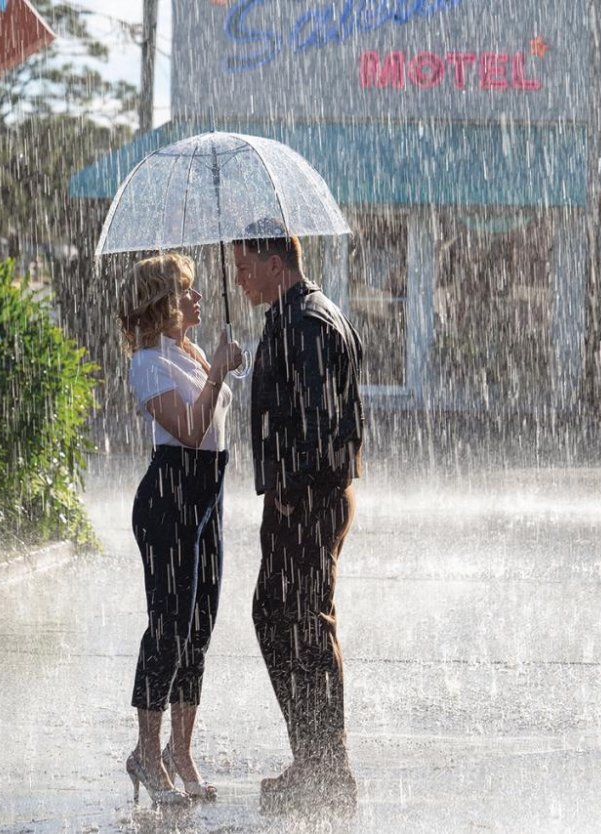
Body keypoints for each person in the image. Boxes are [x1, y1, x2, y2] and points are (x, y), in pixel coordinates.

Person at [231, 226, 365, 815]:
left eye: (243, 265)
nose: (238, 277)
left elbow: (320, 416)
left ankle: (325, 769)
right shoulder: (298, 315)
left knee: (301, 623)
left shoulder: (306, 322)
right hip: (305, 496)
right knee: (288, 617)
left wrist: (291, 486)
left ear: (272, 258)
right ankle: (315, 760)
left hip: (306, 498)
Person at [117, 253, 242, 808]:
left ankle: (180, 750)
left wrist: (219, 368)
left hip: (207, 501)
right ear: (161, 304)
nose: (197, 300)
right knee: (168, 625)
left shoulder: (188, 351)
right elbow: (191, 432)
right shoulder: (147, 362)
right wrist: (216, 373)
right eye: (186, 293)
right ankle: (145, 753)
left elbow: (215, 425)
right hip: (169, 500)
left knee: (199, 627)